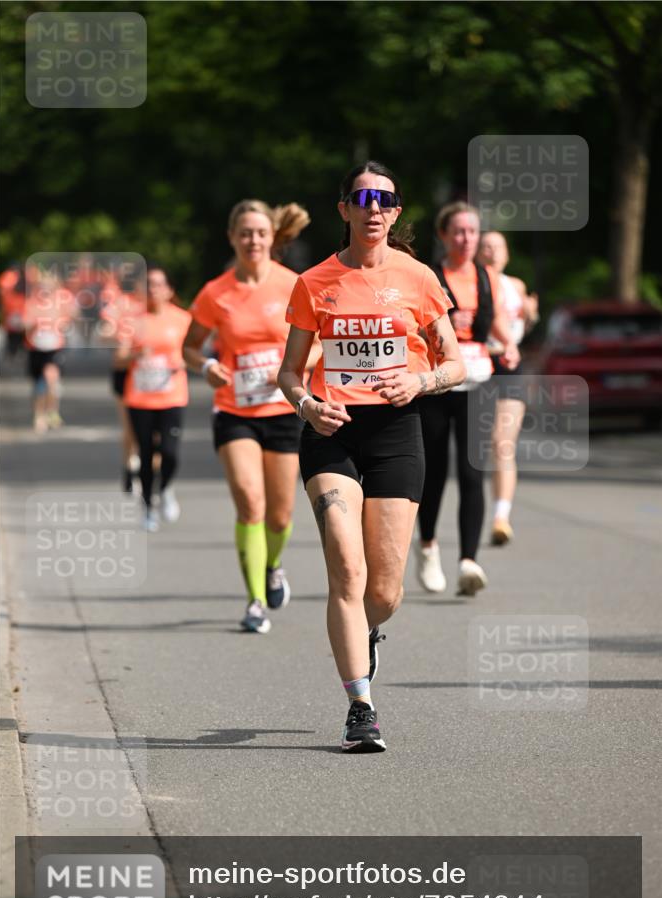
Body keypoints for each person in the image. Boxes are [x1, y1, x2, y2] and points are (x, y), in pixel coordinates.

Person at [278, 161, 465, 753]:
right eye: (362, 199)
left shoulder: (419, 278)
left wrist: (421, 381)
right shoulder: (314, 282)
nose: (373, 209)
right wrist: (307, 405)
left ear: (396, 211)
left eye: (384, 200)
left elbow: (457, 363)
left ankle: (368, 631)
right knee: (345, 566)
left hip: (396, 433)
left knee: (382, 592)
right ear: (344, 210)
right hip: (331, 431)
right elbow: (289, 372)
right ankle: (360, 706)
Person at [183, 199, 313, 634]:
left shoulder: (295, 285)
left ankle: (273, 564)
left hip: (282, 409)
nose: (252, 240)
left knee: (279, 515)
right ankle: (255, 600)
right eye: (245, 233)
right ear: (232, 238)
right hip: (234, 410)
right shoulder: (215, 292)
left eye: (260, 233)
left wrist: (292, 369)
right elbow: (189, 346)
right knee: (249, 500)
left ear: (272, 237)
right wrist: (206, 365)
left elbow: (319, 343)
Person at [416, 202, 520, 597]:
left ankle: (468, 562)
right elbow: (412, 323)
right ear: (443, 235)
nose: (466, 239)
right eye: (458, 231)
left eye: (472, 232)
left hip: (478, 381)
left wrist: (509, 343)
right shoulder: (428, 276)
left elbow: (495, 319)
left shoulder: (487, 276)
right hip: (438, 382)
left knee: (473, 471)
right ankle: (428, 546)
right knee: (435, 472)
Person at [477, 231, 539, 544]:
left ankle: (501, 517)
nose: (491, 251)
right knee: (477, 445)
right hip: (477, 365)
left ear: (507, 254)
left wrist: (531, 314)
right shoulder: (471, 283)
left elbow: (524, 326)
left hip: (510, 365)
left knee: (502, 443)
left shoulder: (516, 286)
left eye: (497, 246)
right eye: (486, 246)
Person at [119, 266, 191, 531]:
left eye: (159, 284)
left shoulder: (182, 319)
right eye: (149, 284)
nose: (154, 290)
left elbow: (193, 353)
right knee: (146, 452)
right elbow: (118, 358)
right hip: (140, 398)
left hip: (172, 396)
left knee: (169, 453)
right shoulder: (133, 320)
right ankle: (148, 506)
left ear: (170, 290)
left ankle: (166, 488)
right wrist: (136, 354)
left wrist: (181, 362)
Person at [100, 266, 146, 493]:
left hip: (152, 374)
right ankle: (130, 465)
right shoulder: (121, 304)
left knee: (155, 430)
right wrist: (120, 337)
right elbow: (104, 332)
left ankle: (151, 471)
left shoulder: (160, 309)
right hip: (125, 371)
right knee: (130, 426)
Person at [24, 271, 77, 432]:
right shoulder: (32, 303)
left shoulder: (60, 302)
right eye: (42, 285)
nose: (44, 288)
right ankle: (40, 412)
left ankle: (49, 412)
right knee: (39, 384)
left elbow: (73, 315)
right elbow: (25, 324)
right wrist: (34, 324)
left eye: (48, 285)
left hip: (54, 348)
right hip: (36, 348)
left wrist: (64, 323)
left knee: (50, 379)